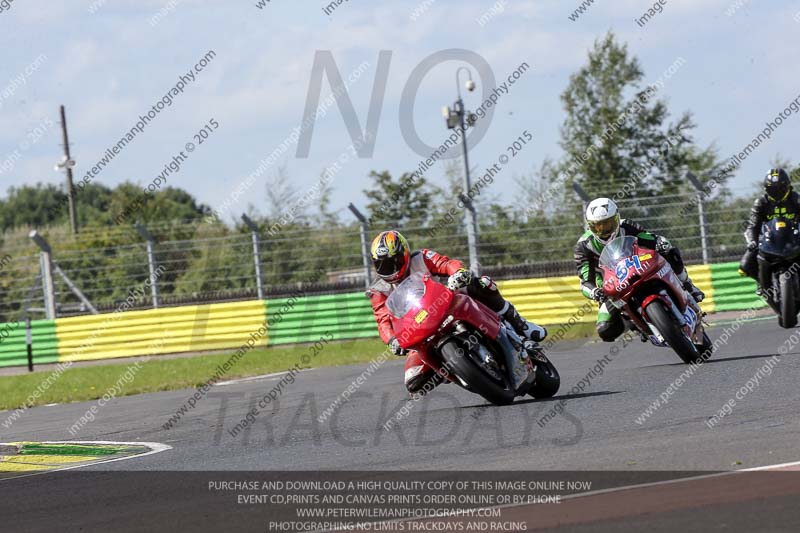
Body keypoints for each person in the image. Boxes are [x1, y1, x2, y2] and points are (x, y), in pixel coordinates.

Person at [366, 230, 547, 394]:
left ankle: (520, 325)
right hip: (421, 330)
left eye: (392, 261)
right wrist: (392, 340)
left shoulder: (421, 258)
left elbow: (446, 264)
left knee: (481, 283)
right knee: (413, 382)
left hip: (449, 302)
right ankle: (456, 369)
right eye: (381, 264)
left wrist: (458, 272)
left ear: (403, 254)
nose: (388, 268)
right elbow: (383, 321)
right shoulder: (378, 290)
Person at [574, 197, 705, 342]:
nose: (604, 230)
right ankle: (633, 323)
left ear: (617, 218)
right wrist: (595, 292)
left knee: (670, 251)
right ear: (590, 226)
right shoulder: (583, 246)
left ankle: (688, 285)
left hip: (639, 268)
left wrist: (660, 243)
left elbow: (649, 238)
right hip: (612, 289)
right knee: (605, 330)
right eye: (598, 226)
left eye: (608, 224)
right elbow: (585, 281)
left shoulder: (627, 226)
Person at [739, 168, 800, 291]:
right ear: (766, 190)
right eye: (773, 189)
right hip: (769, 241)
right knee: (744, 267)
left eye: (780, 188)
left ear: (788, 187)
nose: (777, 192)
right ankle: (762, 282)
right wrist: (752, 241)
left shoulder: (796, 199)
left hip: (793, 238)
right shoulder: (761, 202)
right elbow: (752, 226)